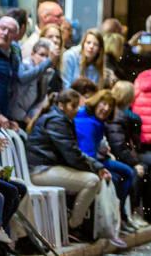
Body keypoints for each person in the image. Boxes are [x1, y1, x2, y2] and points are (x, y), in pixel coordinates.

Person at [26, 90, 109, 239]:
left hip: (47, 168)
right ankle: (73, 225)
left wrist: (97, 166)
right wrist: (95, 169)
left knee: (94, 178)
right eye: (73, 106)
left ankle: (73, 223)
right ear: (61, 105)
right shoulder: (57, 121)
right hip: (40, 171)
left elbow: (73, 152)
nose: (77, 110)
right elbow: (72, 154)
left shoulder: (58, 118)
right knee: (92, 181)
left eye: (78, 106)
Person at [106, 81, 151, 224]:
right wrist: (135, 163)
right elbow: (119, 146)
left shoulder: (124, 115)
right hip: (123, 156)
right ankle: (147, 208)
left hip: (130, 154)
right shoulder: (119, 117)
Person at [74, 90, 137, 231]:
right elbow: (87, 151)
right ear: (96, 102)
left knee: (128, 172)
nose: (106, 109)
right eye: (104, 104)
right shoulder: (87, 121)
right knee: (119, 176)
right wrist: (99, 168)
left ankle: (120, 214)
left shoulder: (97, 121)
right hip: (90, 161)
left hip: (99, 158)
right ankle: (118, 215)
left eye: (109, 106)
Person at [10, 38, 58, 122]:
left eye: (47, 56)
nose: (44, 60)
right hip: (14, 117)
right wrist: (26, 119)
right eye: (41, 55)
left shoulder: (46, 74)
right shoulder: (25, 66)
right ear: (32, 54)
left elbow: (37, 103)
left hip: (27, 118)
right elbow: (14, 102)